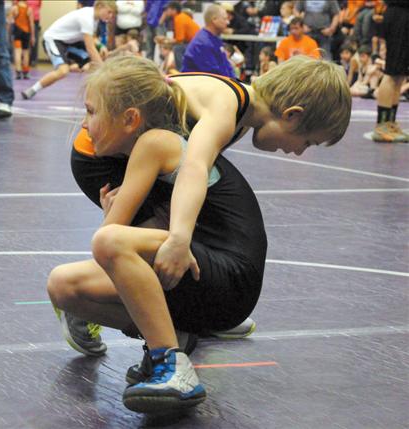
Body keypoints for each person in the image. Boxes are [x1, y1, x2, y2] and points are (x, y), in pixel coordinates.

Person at [60, 54, 351, 365]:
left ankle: (191, 309)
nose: (297, 152)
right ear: (292, 115)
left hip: (121, 150)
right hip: (100, 156)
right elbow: (194, 168)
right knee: (152, 243)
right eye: (306, 142)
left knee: (165, 234)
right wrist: (180, 238)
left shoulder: (237, 110)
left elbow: (191, 180)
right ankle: (94, 301)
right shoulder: (226, 107)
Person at [48, 55, 267, 413]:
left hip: (228, 278)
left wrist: (112, 220)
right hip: (209, 276)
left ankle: (171, 363)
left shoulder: (155, 144)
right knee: (62, 286)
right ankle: (175, 336)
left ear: (130, 119)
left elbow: (109, 241)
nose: (85, 126)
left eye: (91, 112)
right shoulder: (158, 146)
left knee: (109, 243)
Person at [21, 0, 116, 100]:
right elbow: (90, 48)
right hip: (53, 39)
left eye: (112, 14)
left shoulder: (94, 18)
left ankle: (95, 94)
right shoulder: (87, 17)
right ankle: (33, 89)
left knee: (94, 62)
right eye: (109, 12)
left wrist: (101, 46)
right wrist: (104, 69)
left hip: (69, 42)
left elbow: (91, 38)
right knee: (63, 71)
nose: (110, 16)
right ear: (100, 6)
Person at [371, 0, 409, 143]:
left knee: (399, 75)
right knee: (392, 73)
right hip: (399, 16)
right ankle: (382, 126)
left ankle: (390, 123)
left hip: (403, 15)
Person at [181, 3, 235, 77]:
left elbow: (226, 66)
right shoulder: (202, 43)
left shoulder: (214, 39)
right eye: (225, 19)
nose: (228, 22)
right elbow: (215, 75)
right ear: (214, 19)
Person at [162, 1, 199, 70]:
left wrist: (166, 41)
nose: (166, 11)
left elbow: (180, 40)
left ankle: (180, 71)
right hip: (192, 42)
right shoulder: (179, 17)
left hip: (195, 44)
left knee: (177, 48)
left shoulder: (179, 19)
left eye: (168, 9)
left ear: (174, 10)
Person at [8, 0, 34, 79]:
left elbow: (9, 22)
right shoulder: (29, 9)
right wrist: (33, 36)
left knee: (17, 52)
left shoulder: (14, 8)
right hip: (26, 32)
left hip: (17, 32)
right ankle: (25, 72)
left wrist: (8, 33)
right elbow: (31, 23)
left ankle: (18, 72)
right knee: (26, 52)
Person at [27, 0, 42, 66]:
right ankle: (26, 59)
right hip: (25, 18)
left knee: (34, 39)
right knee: (26, 39)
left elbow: (39, 5)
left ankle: (33, 59)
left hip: (35, 19)